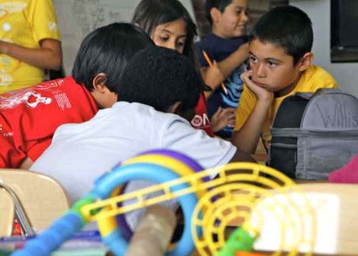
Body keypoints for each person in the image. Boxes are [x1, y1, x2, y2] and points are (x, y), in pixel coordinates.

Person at [30, 46, 255, 207]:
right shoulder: (163, 125)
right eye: (190, 119)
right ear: (176, 110)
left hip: (19, 244)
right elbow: (251, 172)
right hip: (88, 251)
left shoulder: (74, 129)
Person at [0, 23, 154, 182]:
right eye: (132, 91)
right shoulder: (78, 116)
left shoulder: (63, 86)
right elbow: (32, 171)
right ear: (101, 83)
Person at [231, 5, 338, 155]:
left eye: (271, 63)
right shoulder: (255, 87)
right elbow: (240, 153)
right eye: (253, 59)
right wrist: (263, 101)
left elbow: (324, 156)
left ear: (303, 62)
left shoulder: (320, 87)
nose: (259, 72)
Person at [131, 0, 232, 135]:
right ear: (138, 31)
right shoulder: (123, 88)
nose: (173, 49)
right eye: (164, 38)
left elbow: (198, 144)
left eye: (180, 43)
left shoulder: (191, 90)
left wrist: (208, 130)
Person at [196, 0, 249, 139]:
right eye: (238, 12)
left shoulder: (252, 42)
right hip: (217, 133)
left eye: (246, 12)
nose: (245, 18)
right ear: (216, 14)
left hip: (252, 130)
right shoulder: (202, 48)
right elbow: (205, 84)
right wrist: (242, 53)